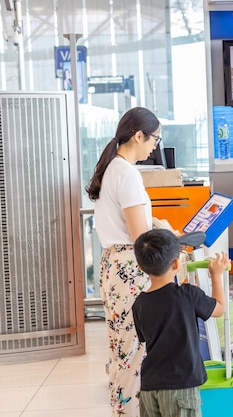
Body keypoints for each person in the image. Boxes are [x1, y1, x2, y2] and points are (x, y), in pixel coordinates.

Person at [86, 107, 163, 417]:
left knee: (122, 347)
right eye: (154, 138)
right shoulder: (127, 173)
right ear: (139, 135)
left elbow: (127, 220)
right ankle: (129, 412)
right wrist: (166, 233)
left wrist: (153, 219)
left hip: (112, 265)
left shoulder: (111, 168)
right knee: (134, 350)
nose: (155, 145)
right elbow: (139, 236)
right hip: (131, 268)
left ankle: (123, 409)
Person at [132, 229, 228, 417]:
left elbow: (147, 336)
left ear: (141, 267)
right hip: (181, 385)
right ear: (176, 263)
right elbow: (219, 308)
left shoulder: (139, 303)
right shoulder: (187, 294)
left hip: (150, 386)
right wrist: (216, 276)